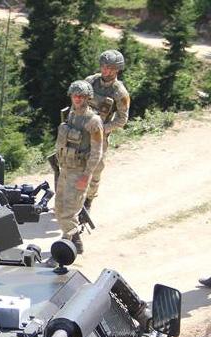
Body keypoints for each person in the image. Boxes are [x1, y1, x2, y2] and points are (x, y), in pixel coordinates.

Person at [54, 81, 104, 254]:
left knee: (69, 212)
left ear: (87, 98)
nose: (76, 98)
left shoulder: (93, 121)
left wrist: (86, 176)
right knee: (59, 208)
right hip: (66, 170)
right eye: (74, 95)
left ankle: (66, 248)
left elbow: (96, 153)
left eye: (80, 96)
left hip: (79, 172)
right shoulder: (71, 115)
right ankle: (76, 240)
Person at [83, 49, 130, 211]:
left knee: (96, 169)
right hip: (81, 129)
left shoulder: (120, 92)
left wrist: (102, 129)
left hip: (99, 136)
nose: (105, 70)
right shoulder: (90, 81)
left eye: (110, 67)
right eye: (103, 66)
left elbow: (122, 120)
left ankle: (88, 201)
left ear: (117, 69)